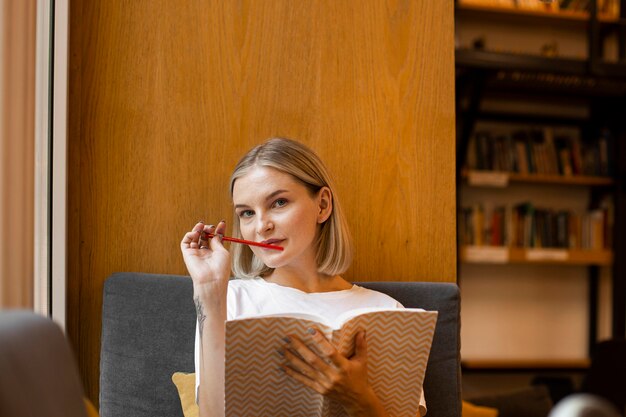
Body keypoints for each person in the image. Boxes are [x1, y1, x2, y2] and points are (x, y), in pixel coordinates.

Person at [180, 138, 426, 417]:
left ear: (322, 205)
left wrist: (359, 399)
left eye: (279, 202)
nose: (261, 226)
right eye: (247, 213)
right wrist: (209, 293)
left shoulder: (387, 311)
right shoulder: (226, 301)